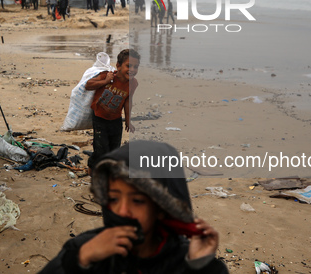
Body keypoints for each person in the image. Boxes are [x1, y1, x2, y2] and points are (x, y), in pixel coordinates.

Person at [39, 140, 228, 273]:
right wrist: (78, 261)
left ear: (161, 207)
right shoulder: (85, 248)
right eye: (113, 198)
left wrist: (201, 267)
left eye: (137, 201)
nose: (122, 211)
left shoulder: (184, 258)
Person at [85, 49, 140, 170]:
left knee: (114, 148)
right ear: (118, 66)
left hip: (116, 119)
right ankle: (93, 166)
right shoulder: (108, 76)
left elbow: (127, 100)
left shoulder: (133, 83)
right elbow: (88, 85)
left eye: (136, 67)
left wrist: (128, 120)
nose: (132, 70)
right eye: (128, 66)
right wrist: (105, 81)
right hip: (99, 117)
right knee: (101, 147)